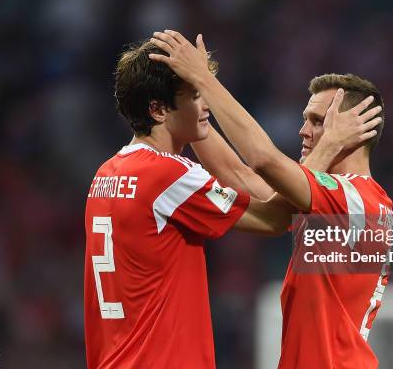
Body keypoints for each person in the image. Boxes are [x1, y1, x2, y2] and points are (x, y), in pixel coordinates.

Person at [83, 40, 376, 368]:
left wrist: (198, 84)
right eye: (195, 97)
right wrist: (330, 144)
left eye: (319, 122)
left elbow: (248, 177)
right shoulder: (168, 175)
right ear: (158, 109)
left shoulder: (106, 175)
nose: (303, 130)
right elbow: (272, 211)